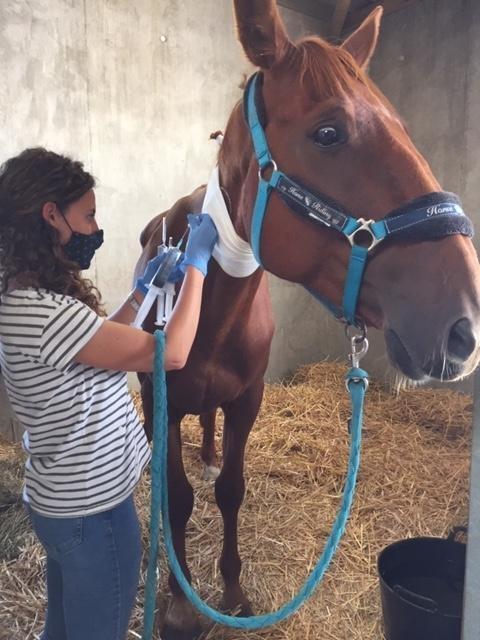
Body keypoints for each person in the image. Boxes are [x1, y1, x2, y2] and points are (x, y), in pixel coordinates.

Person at [0, 147, 218, 640]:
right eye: (89, 215)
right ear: (51, 215)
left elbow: (96, 345)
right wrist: (198, 268)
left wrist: (142, 292)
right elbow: (173, 353)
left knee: (65, 630)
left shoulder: (26, 295)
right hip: (91, 512)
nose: (96, 228)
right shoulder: (41, 310)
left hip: (64, 504)